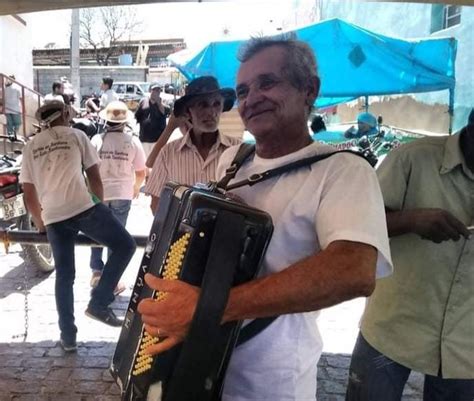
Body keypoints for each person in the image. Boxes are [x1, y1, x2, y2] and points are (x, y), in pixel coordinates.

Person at [138, 38, 392, 400]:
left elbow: (354, 270)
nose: (252, 97)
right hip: (199, 365)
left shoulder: (342, 170)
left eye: (268, 83)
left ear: (309, 90)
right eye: (243, 90)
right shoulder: (233, 163)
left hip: (271, 385)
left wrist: (207, 308)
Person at [346, 110, 474, 401]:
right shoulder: (412, 159)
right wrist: (412, 221)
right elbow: (356, 223)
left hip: (466, 343)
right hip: (394, 326)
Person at [19, 100, 136, 353]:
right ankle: (100, 301)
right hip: (83, 209)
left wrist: (41, 223)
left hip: (53, 217)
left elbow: (28, 192)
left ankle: (68, 337)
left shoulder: (30, 146)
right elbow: (95, 177)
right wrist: (101, 208)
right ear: (64, 114)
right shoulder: (76, 135)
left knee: (64, 276)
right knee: (125, 245)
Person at [144, 76, 241, 213]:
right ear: (188, 112)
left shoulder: (239, 151)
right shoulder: (168, 153)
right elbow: (156, 205)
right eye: (203, 105)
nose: (211, 112)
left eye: (216, 104)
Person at [89, 101, 146, 294]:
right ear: (124, 122)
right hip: (123, 193)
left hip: (99, 193)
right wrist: (136, 187)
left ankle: (97, 271)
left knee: (96, 232)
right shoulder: (133, 141)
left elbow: (88, 169)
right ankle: (112, 281)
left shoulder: (97, 139)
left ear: (106, 120)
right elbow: (141, 171)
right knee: (117, 236)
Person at [135, 82, 170, 159]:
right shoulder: (143, 101)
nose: (156, 92)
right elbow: (137, 116)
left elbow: (164, 112)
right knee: (145, 162)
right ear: (150, 91)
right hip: (144, 138)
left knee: (156, 162)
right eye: (154, 90)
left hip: (157, 140)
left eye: (158, 90)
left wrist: (158, 103)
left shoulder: (162, 103)